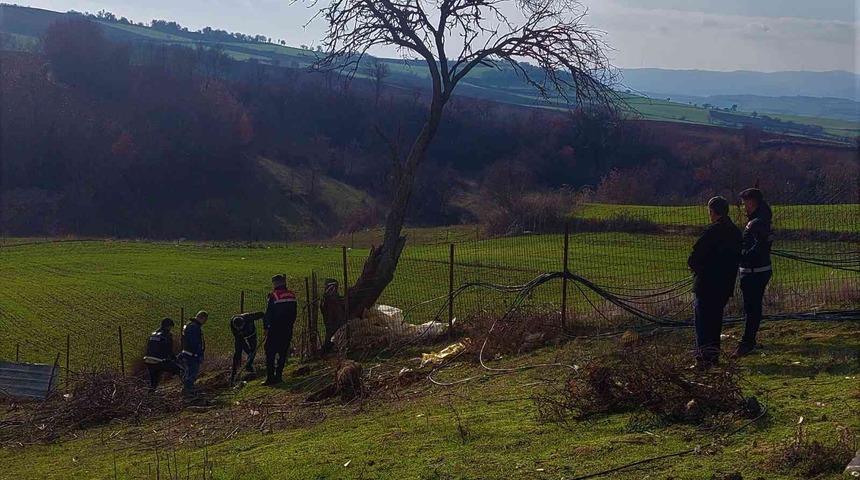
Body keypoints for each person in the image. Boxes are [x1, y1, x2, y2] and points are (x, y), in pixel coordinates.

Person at [687, 196, 742, 369]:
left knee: (703, 322)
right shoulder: (735, 232)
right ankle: (713, 355)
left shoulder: (711, 231)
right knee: (715, 320)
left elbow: (695, 257)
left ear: (712, 212)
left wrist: (697, 269)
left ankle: (702, 358)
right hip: (725, 284)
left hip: (706, 284)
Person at [734, 188, 774, 358]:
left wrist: (741, 257)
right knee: (752, 307)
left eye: (745, 203)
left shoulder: (757, 222)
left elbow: (758, 247)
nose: (743, 207)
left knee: (752, 307)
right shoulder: (760, 219)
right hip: (757, 269)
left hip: (754, 271)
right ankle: (749, 339)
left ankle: (747, 341)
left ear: (752, 202)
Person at [262, 275, 297, 385]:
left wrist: (266, 327)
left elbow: (269, 313)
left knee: (269, 351)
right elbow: (294, 312)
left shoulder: (274, 296)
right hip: (287, 328)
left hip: (275, 329)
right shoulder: (292, 295)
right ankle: (279, 376)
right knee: (283, 352)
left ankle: (270, 378)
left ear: (275, 283)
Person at [142, 318, 180, 392]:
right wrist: (175, 359)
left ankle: (150, 396)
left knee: (153, 382)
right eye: (171, 327)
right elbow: (169, 350)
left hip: (148, 360)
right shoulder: (167, 335)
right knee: (178, 370)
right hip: (158, 360)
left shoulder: (153, 334)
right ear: (168, 326)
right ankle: (184, 389)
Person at [178, 310, 208, 397]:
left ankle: (187, 390)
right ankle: (188, 391)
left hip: (188, 353)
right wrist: (198, 354)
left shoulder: (190, 325)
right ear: (202, 318)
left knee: (189, 373)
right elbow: (195, 342)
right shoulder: (194, 327)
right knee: (192, 373)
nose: (204, 323)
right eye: (205, 320)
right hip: (192, 355)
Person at [230, 311, 264, 383]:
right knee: (237, 352)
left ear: (244, 323)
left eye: (240, 327)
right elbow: (241, 342)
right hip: (240, 338)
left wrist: (266, 326)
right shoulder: (233, 324)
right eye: (237, 328)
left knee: (253, 350)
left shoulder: (249, 317)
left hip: (251, 335)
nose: (239, 329)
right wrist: (248, 352)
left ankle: (249, 365)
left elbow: (262, 314)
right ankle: (234, 372)